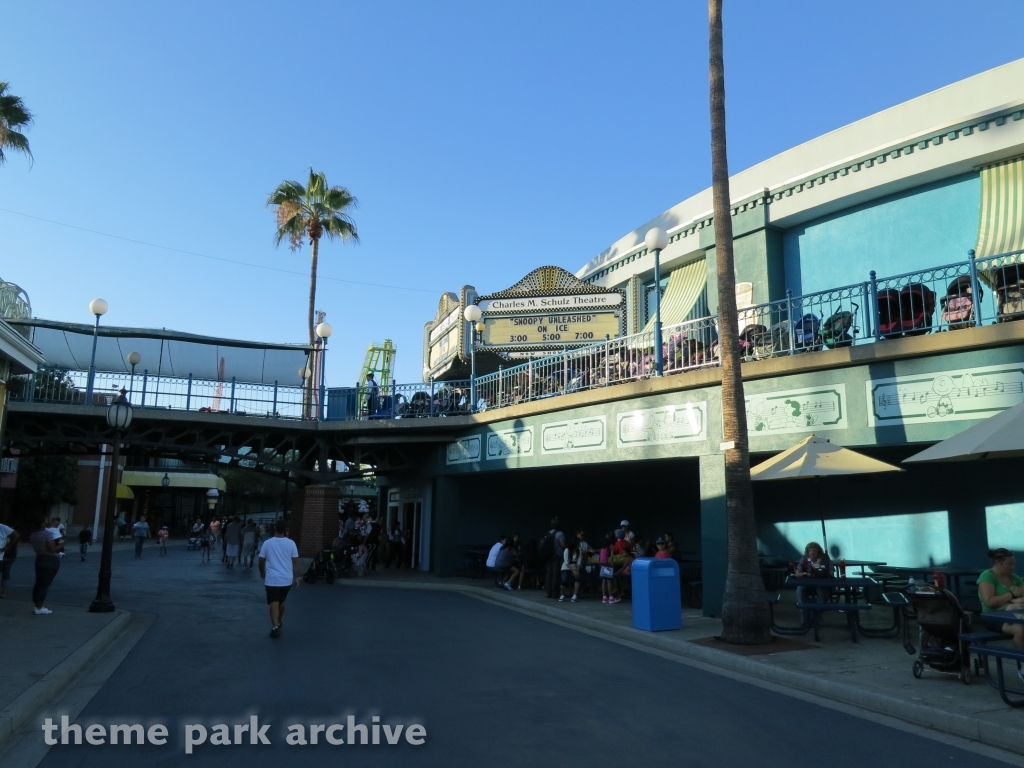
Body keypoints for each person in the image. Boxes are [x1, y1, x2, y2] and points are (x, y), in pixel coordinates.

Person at [977, 548, 1024, 683]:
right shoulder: (987, 576)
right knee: (1020, 629)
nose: (1013, 567)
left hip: (1013, 614)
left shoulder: (1014, 577)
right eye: (1009, 564)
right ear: (998, 563)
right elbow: (989, 602)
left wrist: (1012, 603)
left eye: (1013, 563)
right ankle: (1023, 667)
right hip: (993, 617)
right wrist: (1012, 595)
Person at [259, 520, 299, 638]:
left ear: (275, 529)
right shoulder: (291, 543)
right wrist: (297, 576)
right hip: (286, 578)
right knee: (281, 601)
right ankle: (279, 620)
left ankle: (275, 626)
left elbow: (261, 560)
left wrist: (262, 572)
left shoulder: (267, 543)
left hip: (272, 578)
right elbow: (295, 561)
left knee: (273, 602)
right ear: (285, 530)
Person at [30, 515, 63, 614]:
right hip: (50, 559)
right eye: (46, 520)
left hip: (39, 558)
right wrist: (62, 543)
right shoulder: (47, 534)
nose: (48, 522)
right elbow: (53, 549)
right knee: (44, 584)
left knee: (39, 583)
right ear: (42, 523)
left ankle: (37, 605)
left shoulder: (33, 535)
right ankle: (39, 607)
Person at [793, 542, 832, 623]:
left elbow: (831, 572)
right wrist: (806, 574)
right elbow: (797, 573)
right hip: (807, 583)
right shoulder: (804, 558)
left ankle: (816, 618)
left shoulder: (824, 558)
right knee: (800, 591)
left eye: (814, 550)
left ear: (818, 551)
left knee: (823, 595)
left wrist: (822, 571)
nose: (811, 552)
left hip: (821, 582)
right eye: (810, 550)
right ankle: (805, 620)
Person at [541, 517, 567, 599]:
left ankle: (548, 592)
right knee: (555, 575)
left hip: (549, 555)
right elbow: (563, 545)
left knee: (549, 574)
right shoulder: (560, 533)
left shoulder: (549, 532)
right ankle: (554, 593)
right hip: (557, 555)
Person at [0, 520, 19, 598]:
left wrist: (6, 548)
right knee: (5, 573)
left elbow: (16, 536)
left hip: (6, 556)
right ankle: (3, 591)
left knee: (5, 572)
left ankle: (3, 591)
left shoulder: (2, 528)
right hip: (9, 555)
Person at [559, 538, 582, 603]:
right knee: (564, 580)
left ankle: (574, 595)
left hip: (574, 566)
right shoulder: (567, 550)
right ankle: (562, 595)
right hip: (566, 567)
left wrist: (577, 570)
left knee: (578, 577)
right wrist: (573, 570)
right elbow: (566, 562)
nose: (580, 544)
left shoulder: (578, 551)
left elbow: (578, 562)